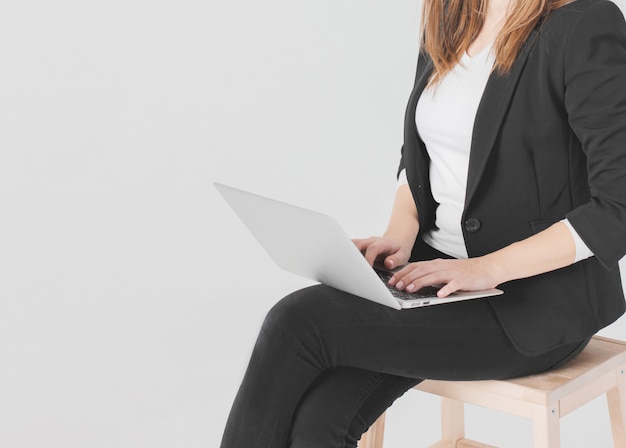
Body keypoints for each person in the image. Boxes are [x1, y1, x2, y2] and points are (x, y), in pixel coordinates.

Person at [219, 0, 626, 446]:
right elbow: (420, 157)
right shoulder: (452, 17)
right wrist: (400, 233)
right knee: (318, 421)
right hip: (433, 281)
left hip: (532, 304)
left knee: (296, 321)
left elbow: (617, 206)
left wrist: (483, 269)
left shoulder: (584, 24)